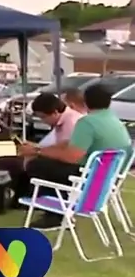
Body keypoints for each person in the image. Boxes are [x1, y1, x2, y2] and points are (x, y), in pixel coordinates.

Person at [11, 84, 132, 228]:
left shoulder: (87, 123)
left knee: (38, 165)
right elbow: (69, 144)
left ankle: (56, 215)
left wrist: (37, 152)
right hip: (106, 178)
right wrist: (39, 148)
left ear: (85, 101)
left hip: (87, 178)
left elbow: (72, 156)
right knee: (47, 161)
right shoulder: (114, 121)